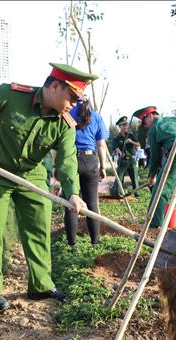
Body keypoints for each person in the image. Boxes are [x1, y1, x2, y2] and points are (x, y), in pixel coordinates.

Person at [0, 62, 92, 311]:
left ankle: (40, 285)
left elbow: (68, 160)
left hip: (32, 174)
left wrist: (73, 194)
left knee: (39, 225)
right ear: (55, 86)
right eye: (72, 97)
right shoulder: (10, 95)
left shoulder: (64, 124)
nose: (74, 104)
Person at [64, 99, 108, 246]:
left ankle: (72, 245)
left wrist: (58, 167)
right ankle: (95, 242)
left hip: (71, 160)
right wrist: (102, 166)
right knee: (92, 203)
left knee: (71, 203)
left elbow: (59, 144)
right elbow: (101, 145)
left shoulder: (66, 114)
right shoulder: (96, 117)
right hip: (90, 160)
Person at [111, 116, 140, 196]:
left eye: (126, 125)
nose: (125, 126)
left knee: (134, 178)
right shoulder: (117, 138)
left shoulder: (131, 135)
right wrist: (120, 152)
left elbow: (139, 144)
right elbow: (116, 148)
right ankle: (119, 194)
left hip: (131, 160)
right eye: (123, 125)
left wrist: (132, 142)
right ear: (120, 127)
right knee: (119, 178)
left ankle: (136, 194)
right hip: (122, 160)